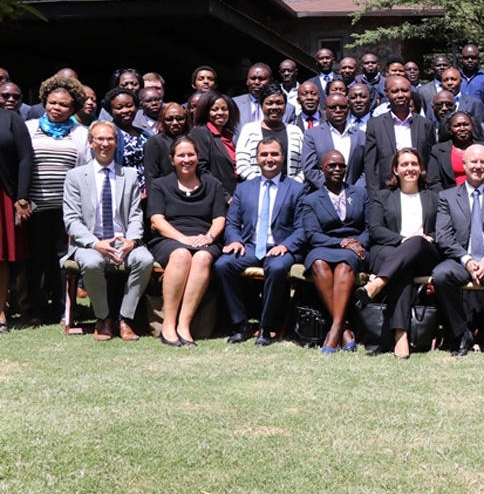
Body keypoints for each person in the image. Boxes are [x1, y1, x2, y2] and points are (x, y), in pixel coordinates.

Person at [62, 120, 155, 341]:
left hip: (123, 241)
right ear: (91, 142)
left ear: (116, 142)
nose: (105, 144)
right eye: (100, 139)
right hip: (89, 243)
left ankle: (125, 318)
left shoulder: (129, 175)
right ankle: (103, 319)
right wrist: (95, 243)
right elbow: (71, 219)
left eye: (110, 139)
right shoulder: (75, 176)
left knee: (145, 260)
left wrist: (132, 240)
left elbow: (134, 214)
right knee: (93, 262)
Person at [215, 137, 306, 346]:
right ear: (256, 158)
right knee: (222, 265)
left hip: (281, 248)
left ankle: (266, 327)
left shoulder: (297, 189)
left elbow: (303, 228)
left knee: (275, 269)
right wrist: (235, 240)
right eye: (264, 154)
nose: (269, 159)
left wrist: (286, 246)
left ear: (283, 157)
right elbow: (232, 222)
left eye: (274, 154)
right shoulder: (244, 188)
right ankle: (241, 324)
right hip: (250, 246)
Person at [431, 143, 484, 360]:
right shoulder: (447, 197)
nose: (478, 166)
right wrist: (467, 259)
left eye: (483, 162)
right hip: (460, 258)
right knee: (441, 276)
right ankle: (461, 335)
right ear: (464, 164)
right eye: (474, 162)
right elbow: (443, 235)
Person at [146, 136, 228, 346]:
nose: (186, 159)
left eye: (190, 154)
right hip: (169, 239)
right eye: (181, 155)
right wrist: (182, 239)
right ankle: (168, 325)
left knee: (201, 258)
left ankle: (184, 325)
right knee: (181, 254)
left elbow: (219, 218)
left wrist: (208, 237)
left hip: (205, 239)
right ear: (172, 159)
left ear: (197, 157)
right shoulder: (160, 185)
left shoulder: (213, 184)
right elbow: (157, 218)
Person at [359, 148, 439, 359]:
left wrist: (422, 238)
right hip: (389, 252)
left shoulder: (434, 197)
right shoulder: (383, 196)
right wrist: (402, 240)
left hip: (424, 252)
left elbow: (443, 228)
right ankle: (401, 336)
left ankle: (377, 284)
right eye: (404, 164)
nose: (410, 168)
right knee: (403, 269)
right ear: (395, 169)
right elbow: (375, 230)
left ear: (421, 168)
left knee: (416, 244)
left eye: (414, 164)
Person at [24, 75, 90, 322]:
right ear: (44, 101)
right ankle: (37, 309)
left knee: (63, 258)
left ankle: (65, 308)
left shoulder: (81, 133)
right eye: (52, 102)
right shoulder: (29, 128)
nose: (56, 108)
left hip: (67, 209)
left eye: (63, 105)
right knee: (38, 259)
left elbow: (84, 169)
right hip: (35, 205)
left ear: (73, 108)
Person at [299, 150, 369, 354]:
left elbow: (368, 229)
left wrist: (357, 243)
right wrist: (342, 242)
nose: (337, 169)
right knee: (318, 263)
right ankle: (344, 328)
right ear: (322, 169)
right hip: (324, 246)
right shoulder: (311, 199)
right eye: (332, 165)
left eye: (341, 166)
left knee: (344, 265)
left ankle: (335, 329)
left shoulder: (360, 193)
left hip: (355, 249)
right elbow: (312, 235)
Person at [364, 75, 436, 191]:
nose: (400, 95)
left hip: (420, 189)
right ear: (387, 94)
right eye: (395, 91)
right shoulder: (375, 125)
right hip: (387, 191)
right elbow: (371, 165)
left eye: (405, 90)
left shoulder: (425, 125)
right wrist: (374, 196)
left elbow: (432, 162)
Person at [0, 95, 32, 331]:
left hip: (5, 193)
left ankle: (1, 311)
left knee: (1, 257)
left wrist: (21, 197)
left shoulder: (11, 119)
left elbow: (25, 158)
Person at [234, 84, 303, 182]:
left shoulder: (295, 131)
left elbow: (303, 165)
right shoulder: (249, 130)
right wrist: (262, 184)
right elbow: (242, 163)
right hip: (257, 189)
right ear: (261, 106)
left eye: (279, 103)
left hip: (290, 192)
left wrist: (292, 186)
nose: (274, 107)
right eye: (269, 103)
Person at [300, 92, 365, 191]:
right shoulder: (312, 135)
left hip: (355, 197)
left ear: (348, 109)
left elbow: (367, 170)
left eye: (342, 107)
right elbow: (310, 169)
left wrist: (354, 192)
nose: (338, 110)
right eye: (333, 107)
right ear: (325, 110)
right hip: (323, 195)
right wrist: (331, 190)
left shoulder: (361, 135)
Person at [189, 90, 240, 199]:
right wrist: (225, 196)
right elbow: (201, 169)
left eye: (224, 109)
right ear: (206, 112)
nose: (220, 113)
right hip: (215, 198)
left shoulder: (230, 135)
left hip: (236, 195)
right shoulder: (200, 133)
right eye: (214, 109)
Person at [232, 63, 295, 137]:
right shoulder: (234, 104)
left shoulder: (288, 109)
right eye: (253, 78)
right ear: (247, 81)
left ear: (271, 81)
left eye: (261, 79)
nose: (256, 82)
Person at [427, 111, 482, 192]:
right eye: (457, 126)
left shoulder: (483, 148)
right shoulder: (438, 151)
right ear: (450, 130)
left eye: (466, 125)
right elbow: (434, 182)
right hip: (450, 199)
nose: (462, 129)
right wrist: (447, 199)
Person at [143, 102, 191, 186]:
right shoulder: (155, 142)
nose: (175, 123)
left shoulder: (192, 140)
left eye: (180, 118)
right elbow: (151, 176)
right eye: (169, 119)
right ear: (162, 120)